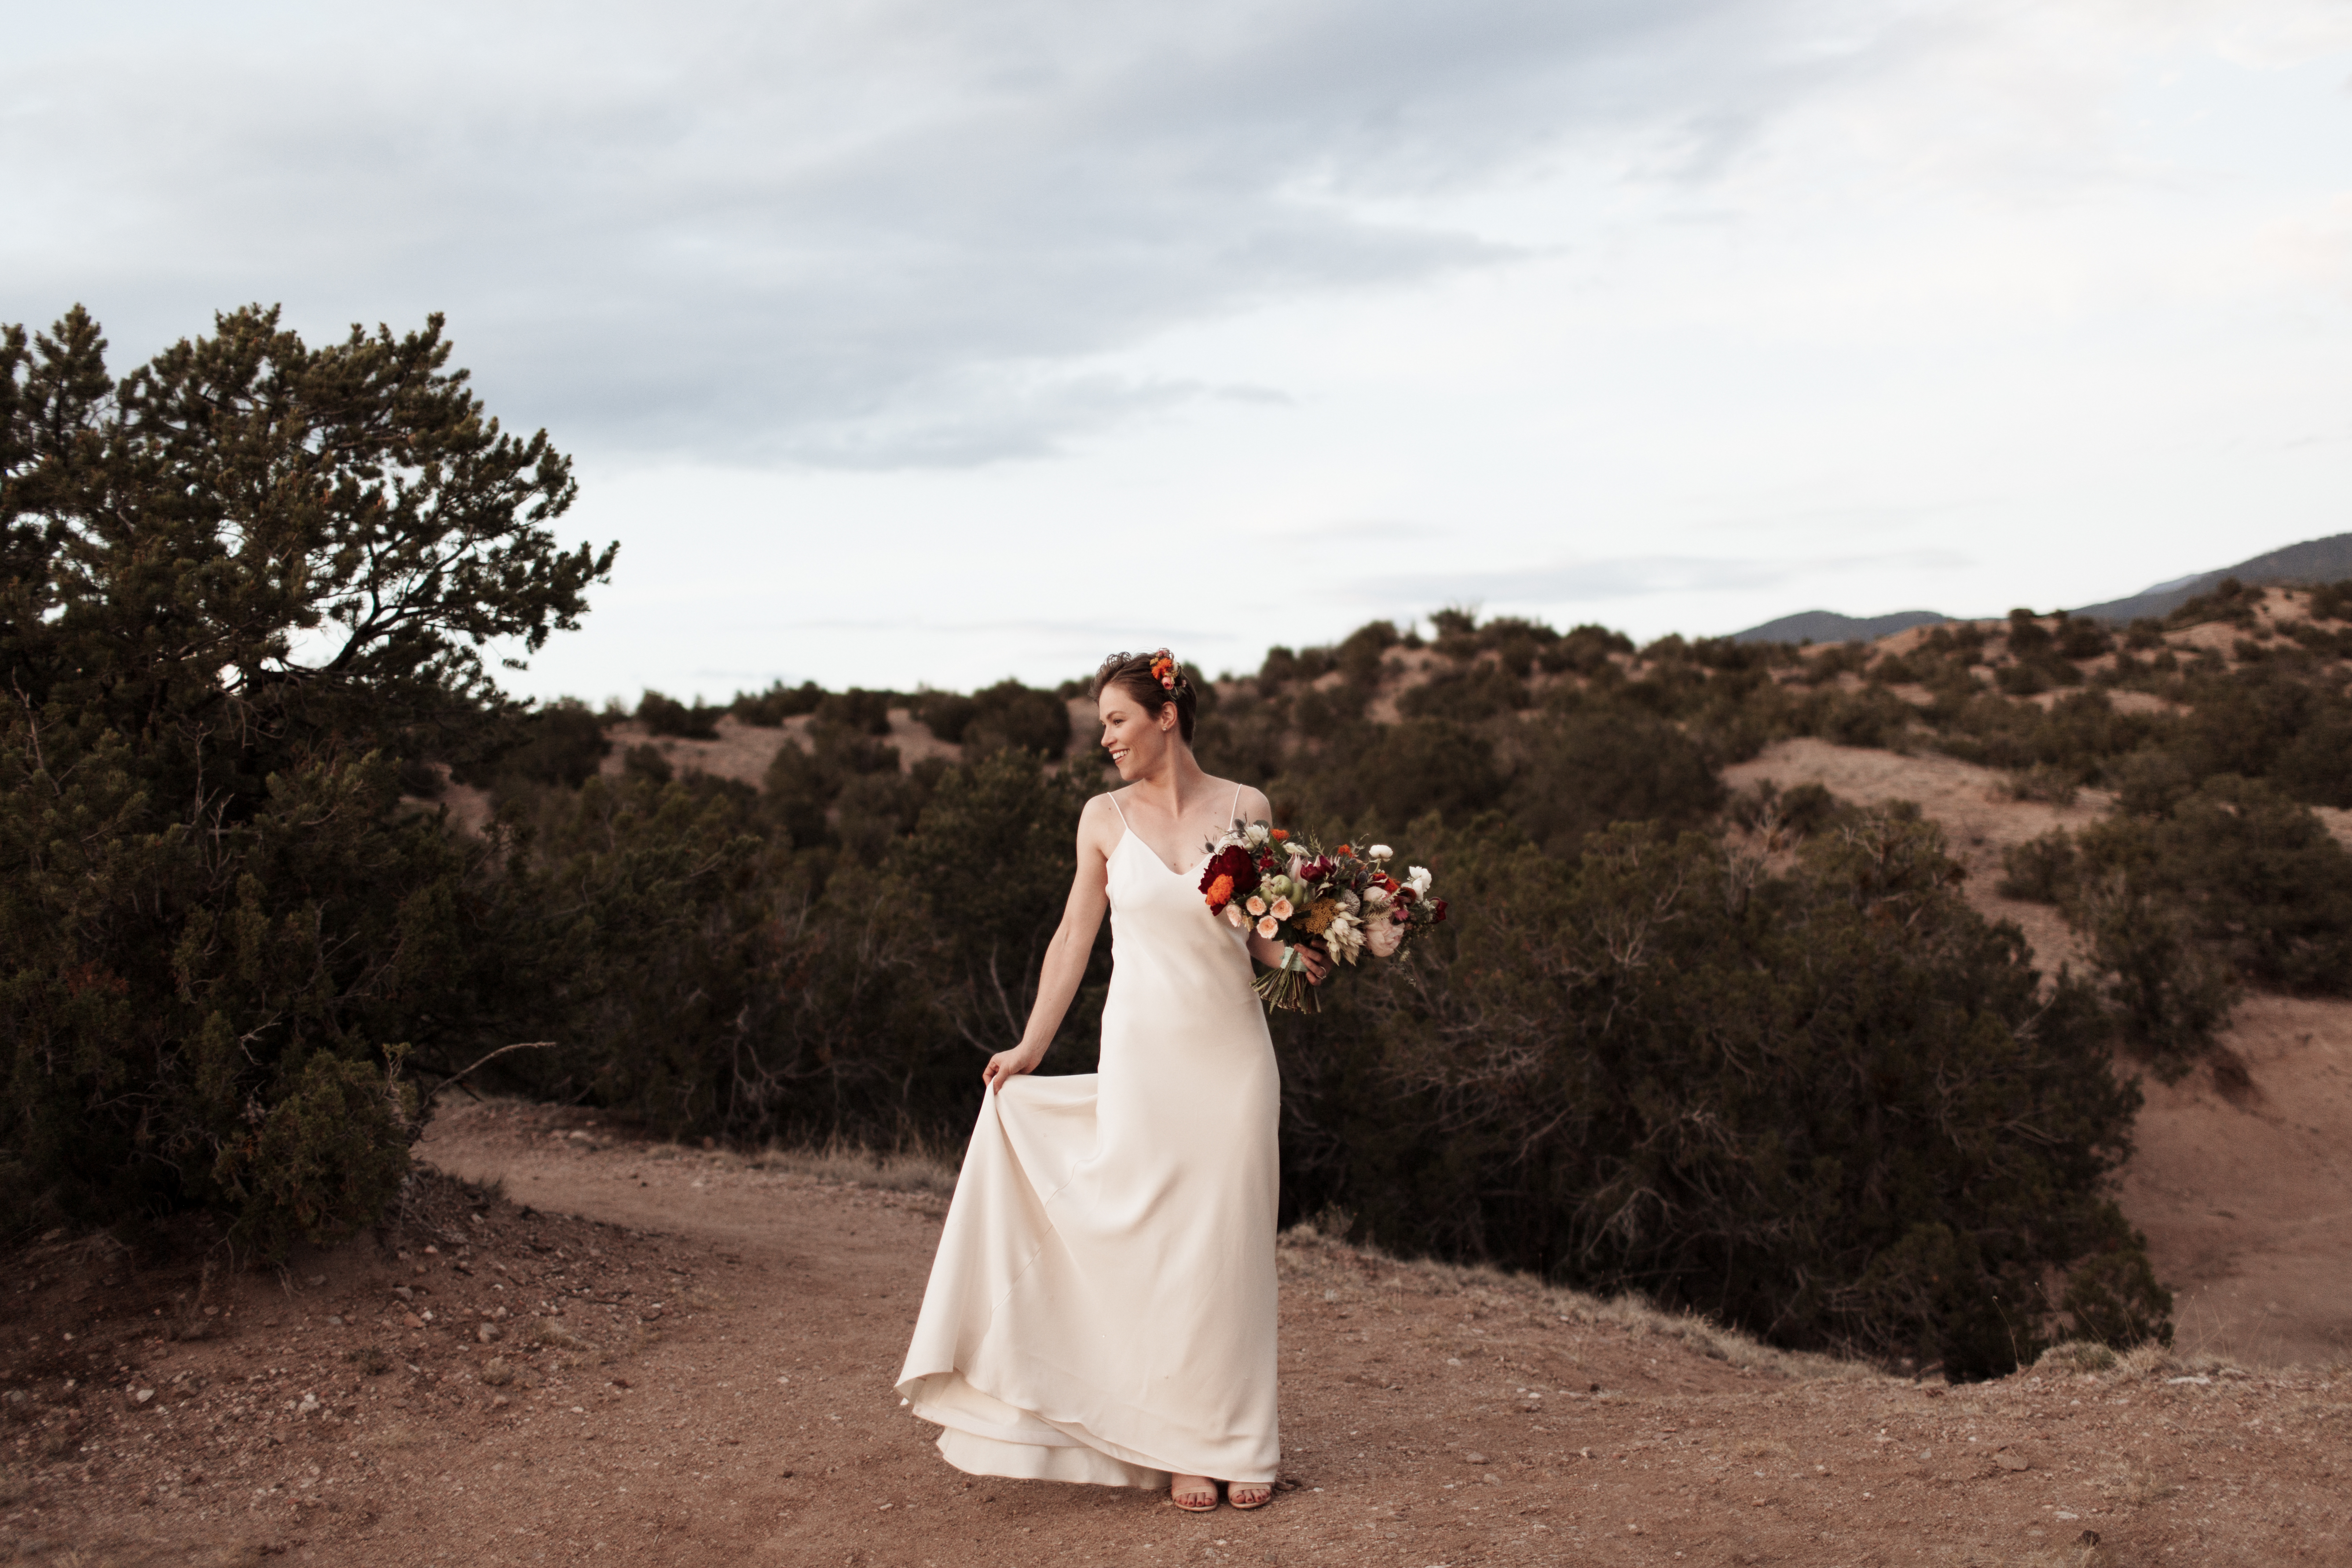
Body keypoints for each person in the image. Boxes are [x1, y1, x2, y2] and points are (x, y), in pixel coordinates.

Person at [894, 648, 1327, 1513]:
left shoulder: (1247, 808)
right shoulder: (1101, 819)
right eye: (1103, 725)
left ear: (1166, 717)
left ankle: (1240, 1442)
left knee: (1229, 1249)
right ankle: (1179, 1447)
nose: (1106, 739)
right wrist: (1027, 1047)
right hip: (1144, 1059)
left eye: (1117, 721)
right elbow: (1072, 940)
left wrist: (1306, 958)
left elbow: (1261, 933)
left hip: (1233, 1061)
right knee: (1160, 1251)